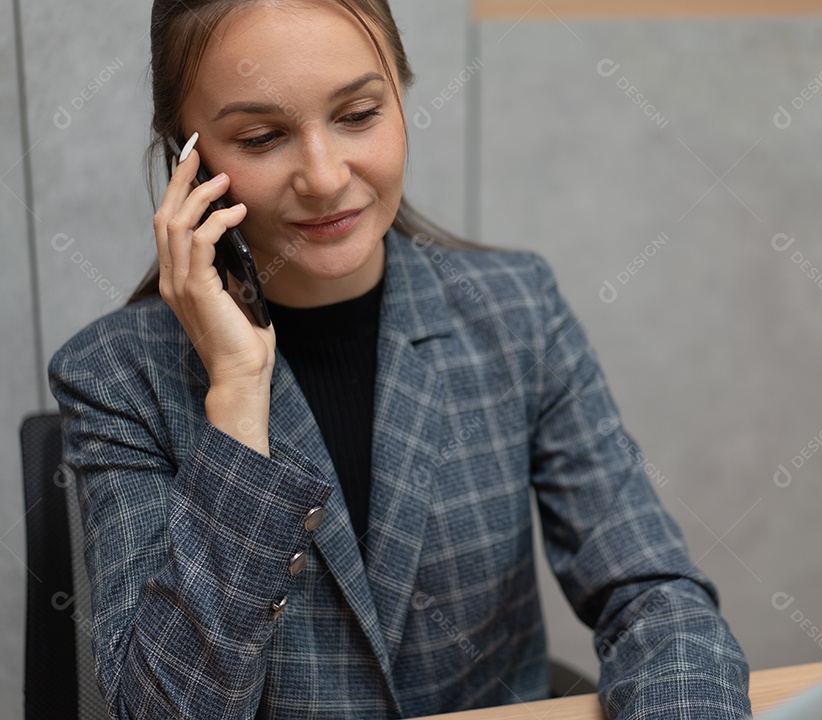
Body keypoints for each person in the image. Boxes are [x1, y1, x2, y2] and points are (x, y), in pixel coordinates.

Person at [47, 0, 753, 718]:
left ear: (402, 101)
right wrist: (235, 397)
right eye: (262, 137)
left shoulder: (517, 311)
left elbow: (653, 595)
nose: (324, 176)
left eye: (357, 116)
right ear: (187, 159)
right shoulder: (116, 377)